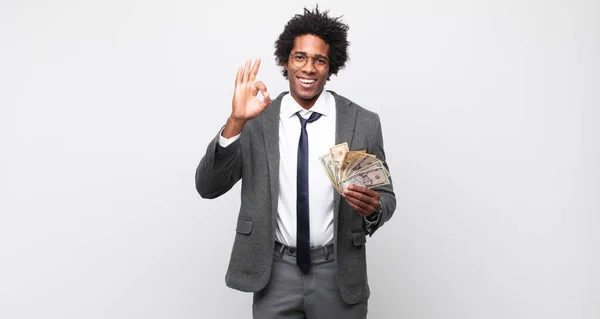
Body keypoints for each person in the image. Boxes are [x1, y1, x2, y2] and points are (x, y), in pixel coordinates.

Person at [195, 7, 396, 318]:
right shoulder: (257, 121)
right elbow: (208, 187)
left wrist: (374, 210)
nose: (309, 68)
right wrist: (235, 121)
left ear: (331, 67)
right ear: (285, 62)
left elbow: (386, 198)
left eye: (320, 60)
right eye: (300, 57)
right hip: (275, 273)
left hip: (338, 273)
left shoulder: (362, 122)